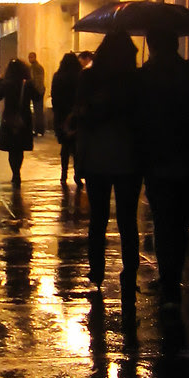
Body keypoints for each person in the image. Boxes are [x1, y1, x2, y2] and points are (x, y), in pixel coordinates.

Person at [139, 27, 189, 308]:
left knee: (162, 218)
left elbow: (138, 115)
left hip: (157, 156)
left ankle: (167, 276)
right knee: (181, 220)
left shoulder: (145, 76)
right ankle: (173, 275)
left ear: (151, 46)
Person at [73, 30, 142, 298]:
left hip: (97, 157)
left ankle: (97, 269)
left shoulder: (89, 77)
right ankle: (130, 272)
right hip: (129, 158)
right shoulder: (135, 81)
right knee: (128, 218)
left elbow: (81, 118)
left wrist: (80, 161)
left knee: (98, 218)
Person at [0, 58, 34, 187]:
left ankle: (15, 173)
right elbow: (37, 97)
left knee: (12, 149)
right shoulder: (27, 84)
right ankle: (17, 172)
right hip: (24, 118)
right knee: (20, 148)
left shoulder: (6, 83)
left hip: (9, 118)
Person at [50, 52, 82, 186]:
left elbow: (54, 96)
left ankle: (63, 174)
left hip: (61, 116)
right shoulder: (80, 76)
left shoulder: (57, 77)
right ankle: (78, 174)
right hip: (76, 116)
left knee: (65, 146)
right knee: (76, 147)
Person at [27, 51, 46, 135]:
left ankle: (39, 129)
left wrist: (36, 90)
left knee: (38, 111)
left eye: (31, 57)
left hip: (37, 92)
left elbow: (38, 81)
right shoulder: (32, 67)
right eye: (29, 57)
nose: (30, 59)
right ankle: (38, 129)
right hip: (37, 91)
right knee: (37, 110)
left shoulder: (37, 67)